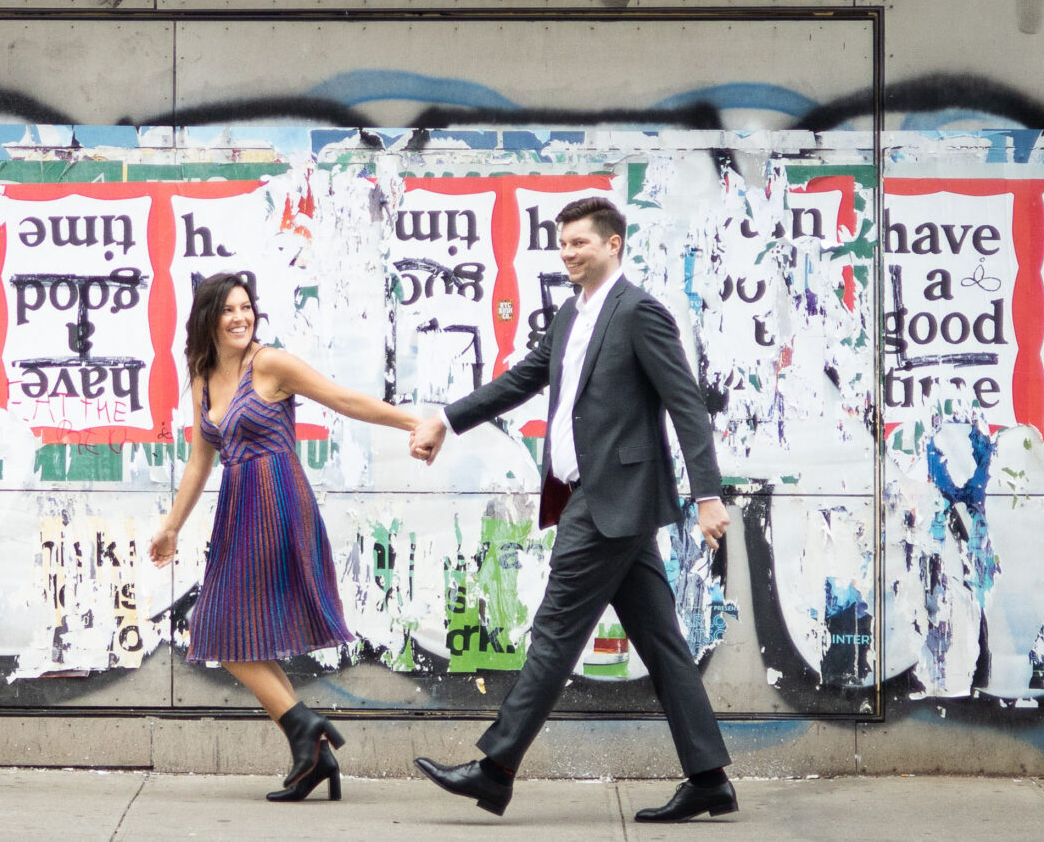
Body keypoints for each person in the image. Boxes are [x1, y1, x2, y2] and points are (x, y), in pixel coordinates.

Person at [407, 195, 737, 825]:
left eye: (579, 242)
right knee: (665, 646)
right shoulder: (571, 314)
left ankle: (496, 769)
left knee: (555, 633)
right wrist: (446, 419)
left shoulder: (639, 313)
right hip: (607, 507)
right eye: (561, 244)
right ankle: (709, 778)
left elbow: (686, 405)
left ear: (613, 243)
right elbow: (522, 379)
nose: (567, 252)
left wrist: (708, 495)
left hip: (606, 502)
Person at [149, 271, 430, 803]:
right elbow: (200, 460)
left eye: (246, 307)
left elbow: (342, 399)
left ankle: (305, 730)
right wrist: (171, 526)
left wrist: (410, 422)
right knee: (238, 631)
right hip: (238, 503)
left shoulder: (270, 363)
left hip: (278, 498)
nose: (240, 317)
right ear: (207, 319)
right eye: (228, 309)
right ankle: (310, 750)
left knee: (222, 626)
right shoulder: (203, 376)